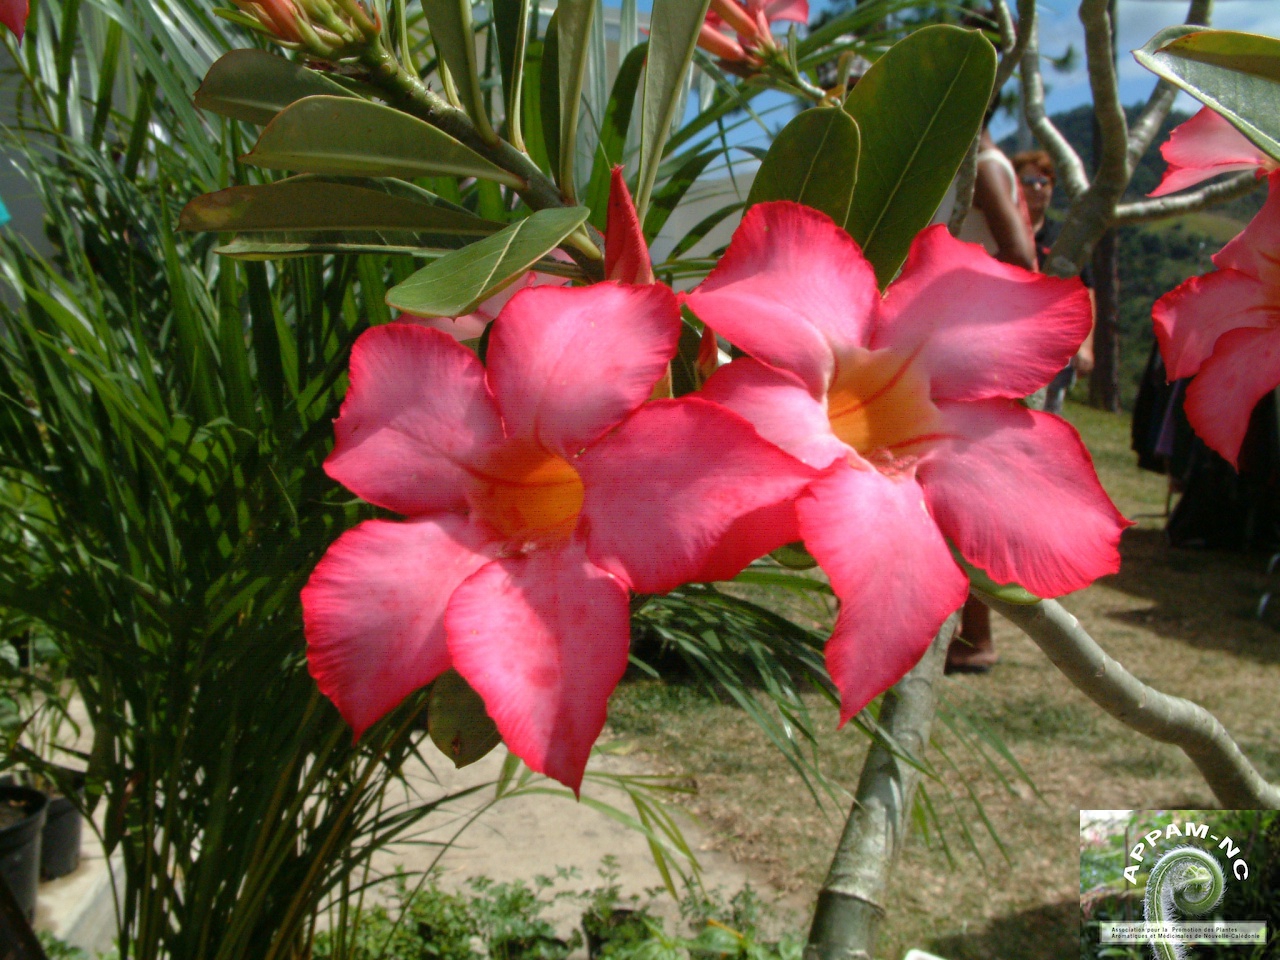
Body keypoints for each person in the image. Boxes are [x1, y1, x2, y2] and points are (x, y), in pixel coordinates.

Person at [942, 127, 1037, 675]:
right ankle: (971, 633)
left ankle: (977, 636)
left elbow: (1020, 255)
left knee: (967, 499)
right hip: (970, 343)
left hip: (973, 344)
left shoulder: (982, 165)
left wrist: (956, 292)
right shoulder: (971, 163)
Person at [1012, 149, 1095, 414]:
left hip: (1051, 346)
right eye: (1028, 182)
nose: (1036, 188)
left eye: (1043, 182)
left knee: (1044, 414)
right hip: (1007, 343)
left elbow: (1086, 290)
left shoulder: (1064, 239)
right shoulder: (1003, 229)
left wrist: (1086, 346)